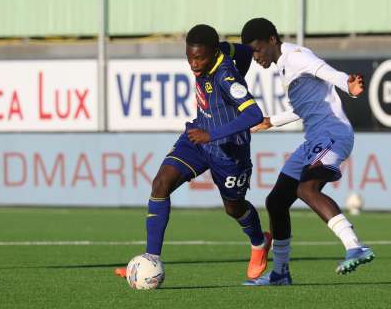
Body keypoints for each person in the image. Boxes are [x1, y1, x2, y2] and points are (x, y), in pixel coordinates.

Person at [115, 24, 271, 280]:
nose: (193, 64)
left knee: (234, 208)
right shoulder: (215, 53)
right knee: (160, 183)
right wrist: (228, 47)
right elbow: (243, 51)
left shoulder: (226, 77)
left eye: (199, 58)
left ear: (212, 52)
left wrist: (212, 135)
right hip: (198, 137)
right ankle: (149, 261)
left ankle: (258, 243)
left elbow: (253, 114)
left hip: (228, 150)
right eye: (189, 57)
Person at [240, 18, 374, 286]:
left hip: (333, 136)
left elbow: (326, 71)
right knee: (276, 202)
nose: (256, 57)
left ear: (272, 40)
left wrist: (348, 84)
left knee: (307, 189)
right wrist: (271, 121)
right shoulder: (284, 66)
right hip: (314, 140)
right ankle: (280, 273)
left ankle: (355, 246)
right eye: (251, 52)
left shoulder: (297, 56)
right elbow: (305, 107)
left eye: (257, 49)